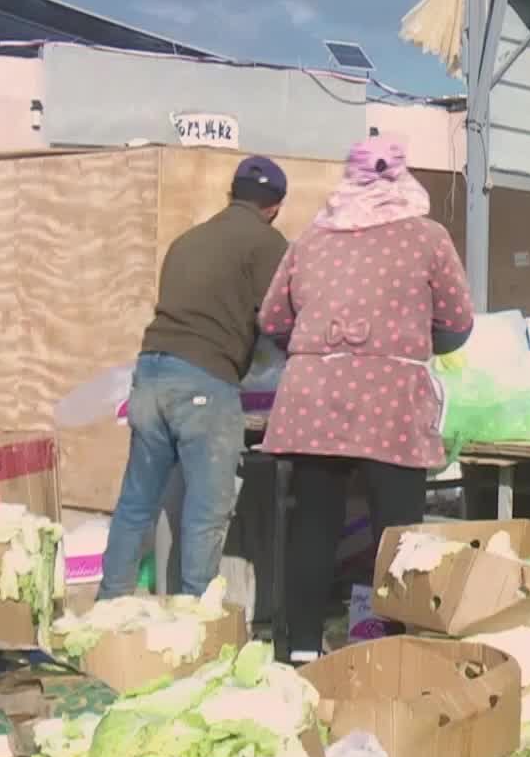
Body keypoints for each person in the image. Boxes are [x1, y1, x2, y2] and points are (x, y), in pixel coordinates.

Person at [258, 137, 474, 662]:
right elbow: (458, 321)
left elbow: (271, 321)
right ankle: (395, 654)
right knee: (396, 535)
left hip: (314, 401)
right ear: (402, 177)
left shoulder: (311, 240)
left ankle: (302, 649)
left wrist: (319, 352)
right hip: (392, 400)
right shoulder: (427, 238)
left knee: (313, 523)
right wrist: (414, 340)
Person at [98, 157, 289, 601]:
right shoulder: (266, 242)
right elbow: (277, 319)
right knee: (207, 509)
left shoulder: (187, 240)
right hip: (204, 381)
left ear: (231, 194)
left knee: (135, 504)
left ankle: (109, 607)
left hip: (150, 373)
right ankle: (194, 620)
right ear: (276, 206)